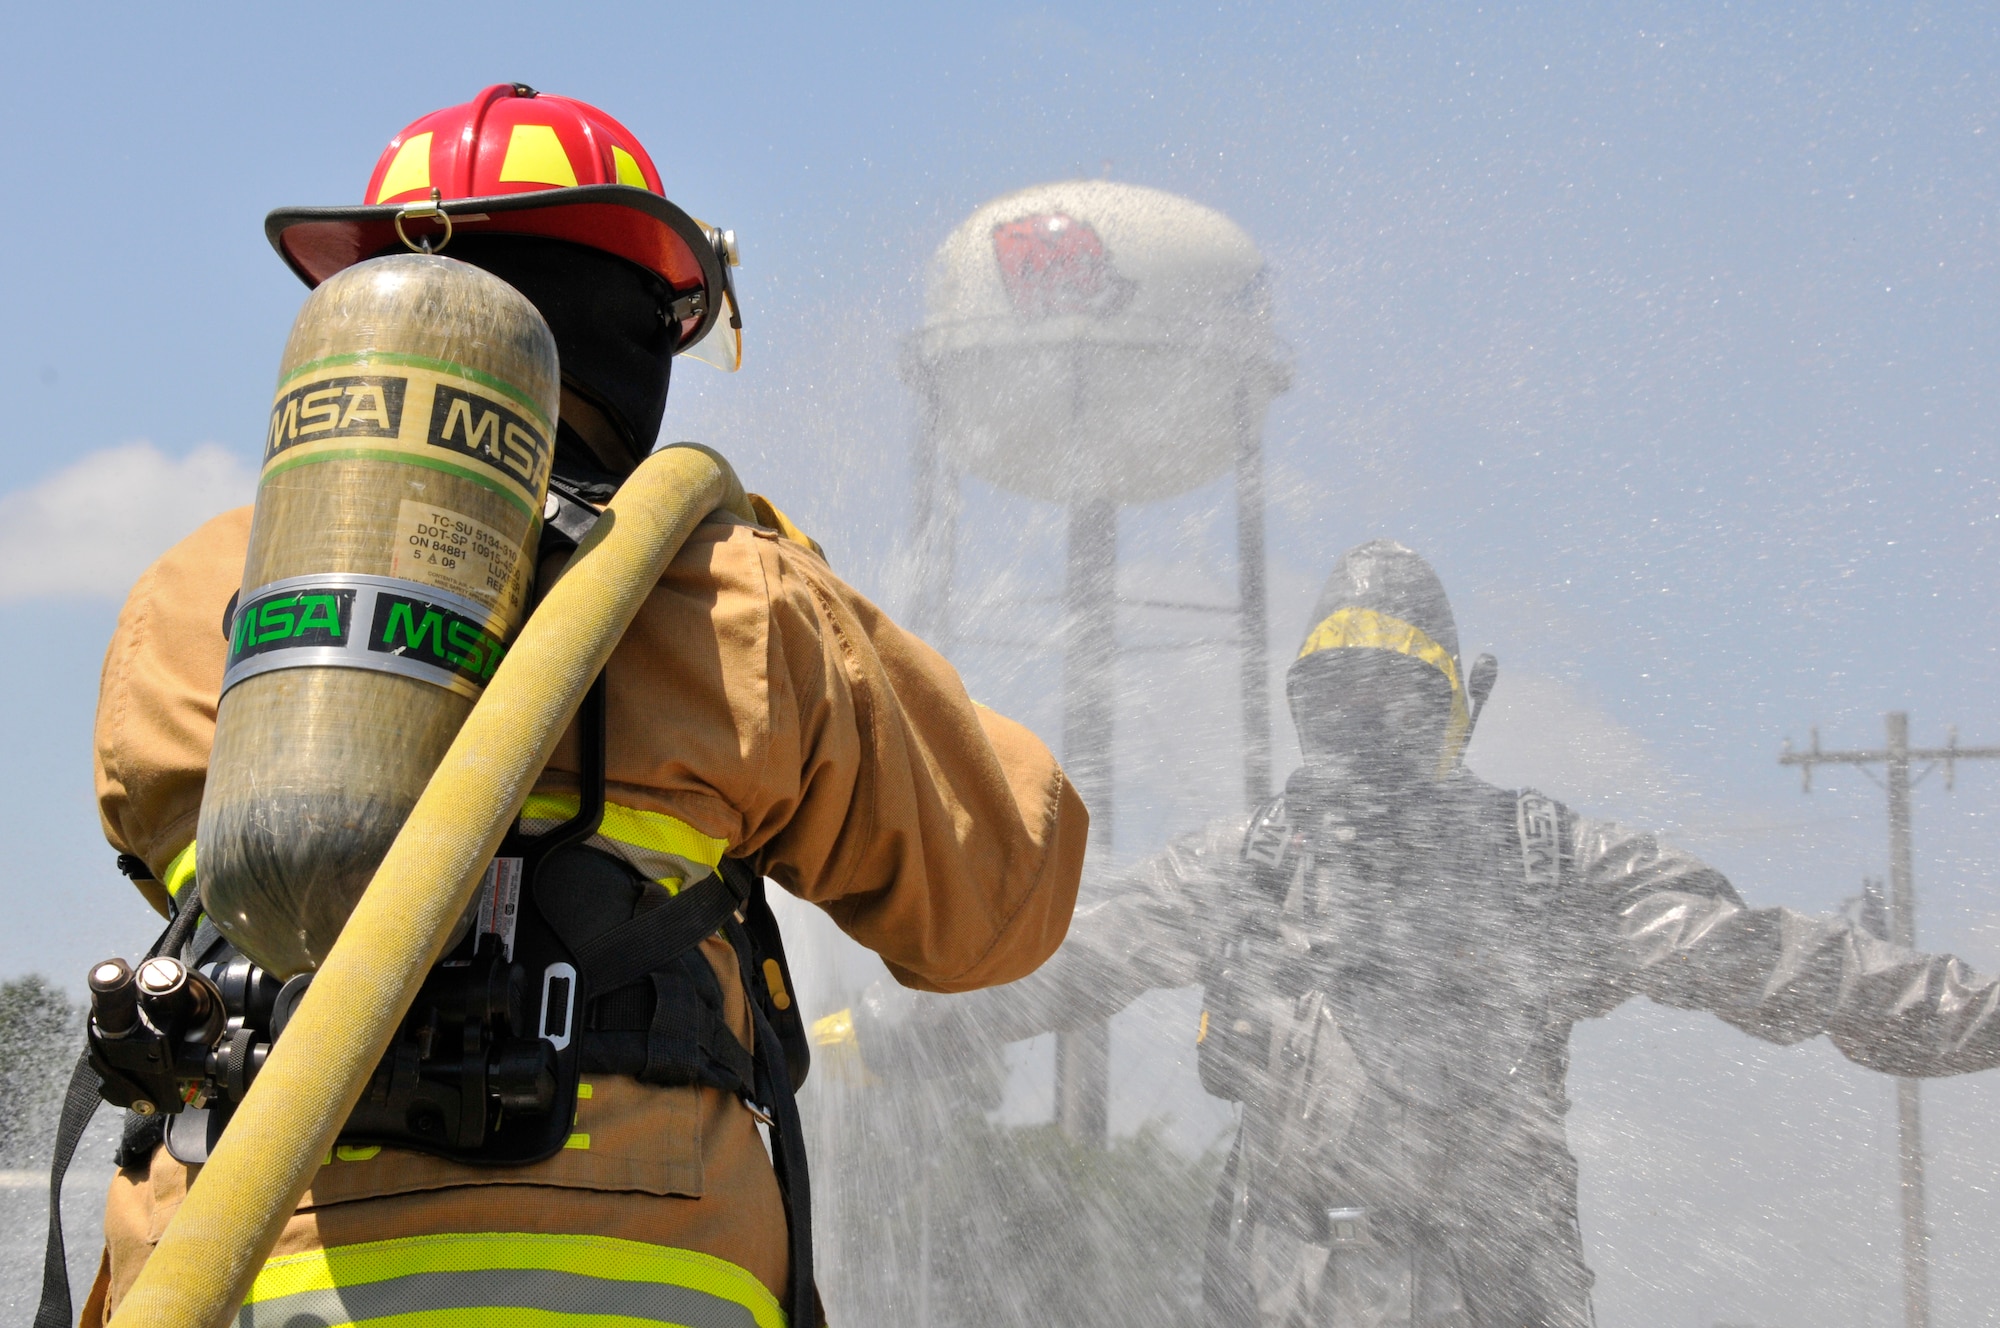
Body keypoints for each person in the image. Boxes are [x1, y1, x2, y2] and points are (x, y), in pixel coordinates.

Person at [82, 84, 1086, 1327]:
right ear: (630, 331)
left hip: (241, 1269)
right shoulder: (729, 594)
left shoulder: (195, 598)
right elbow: (995, 902)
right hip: (632, 1278)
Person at [899, 538, 2000, 1328]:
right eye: (1341, 707)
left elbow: (1775, 960)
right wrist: (864, 1036)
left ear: (1456, 706)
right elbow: (1054, 960)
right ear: (1304, 711)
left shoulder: (1548, 867)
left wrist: (1977, 1015)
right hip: (1283, 1290)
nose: (1365, 739)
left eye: (1391, 704)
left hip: (1496, 1295)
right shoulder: (1252, 866)